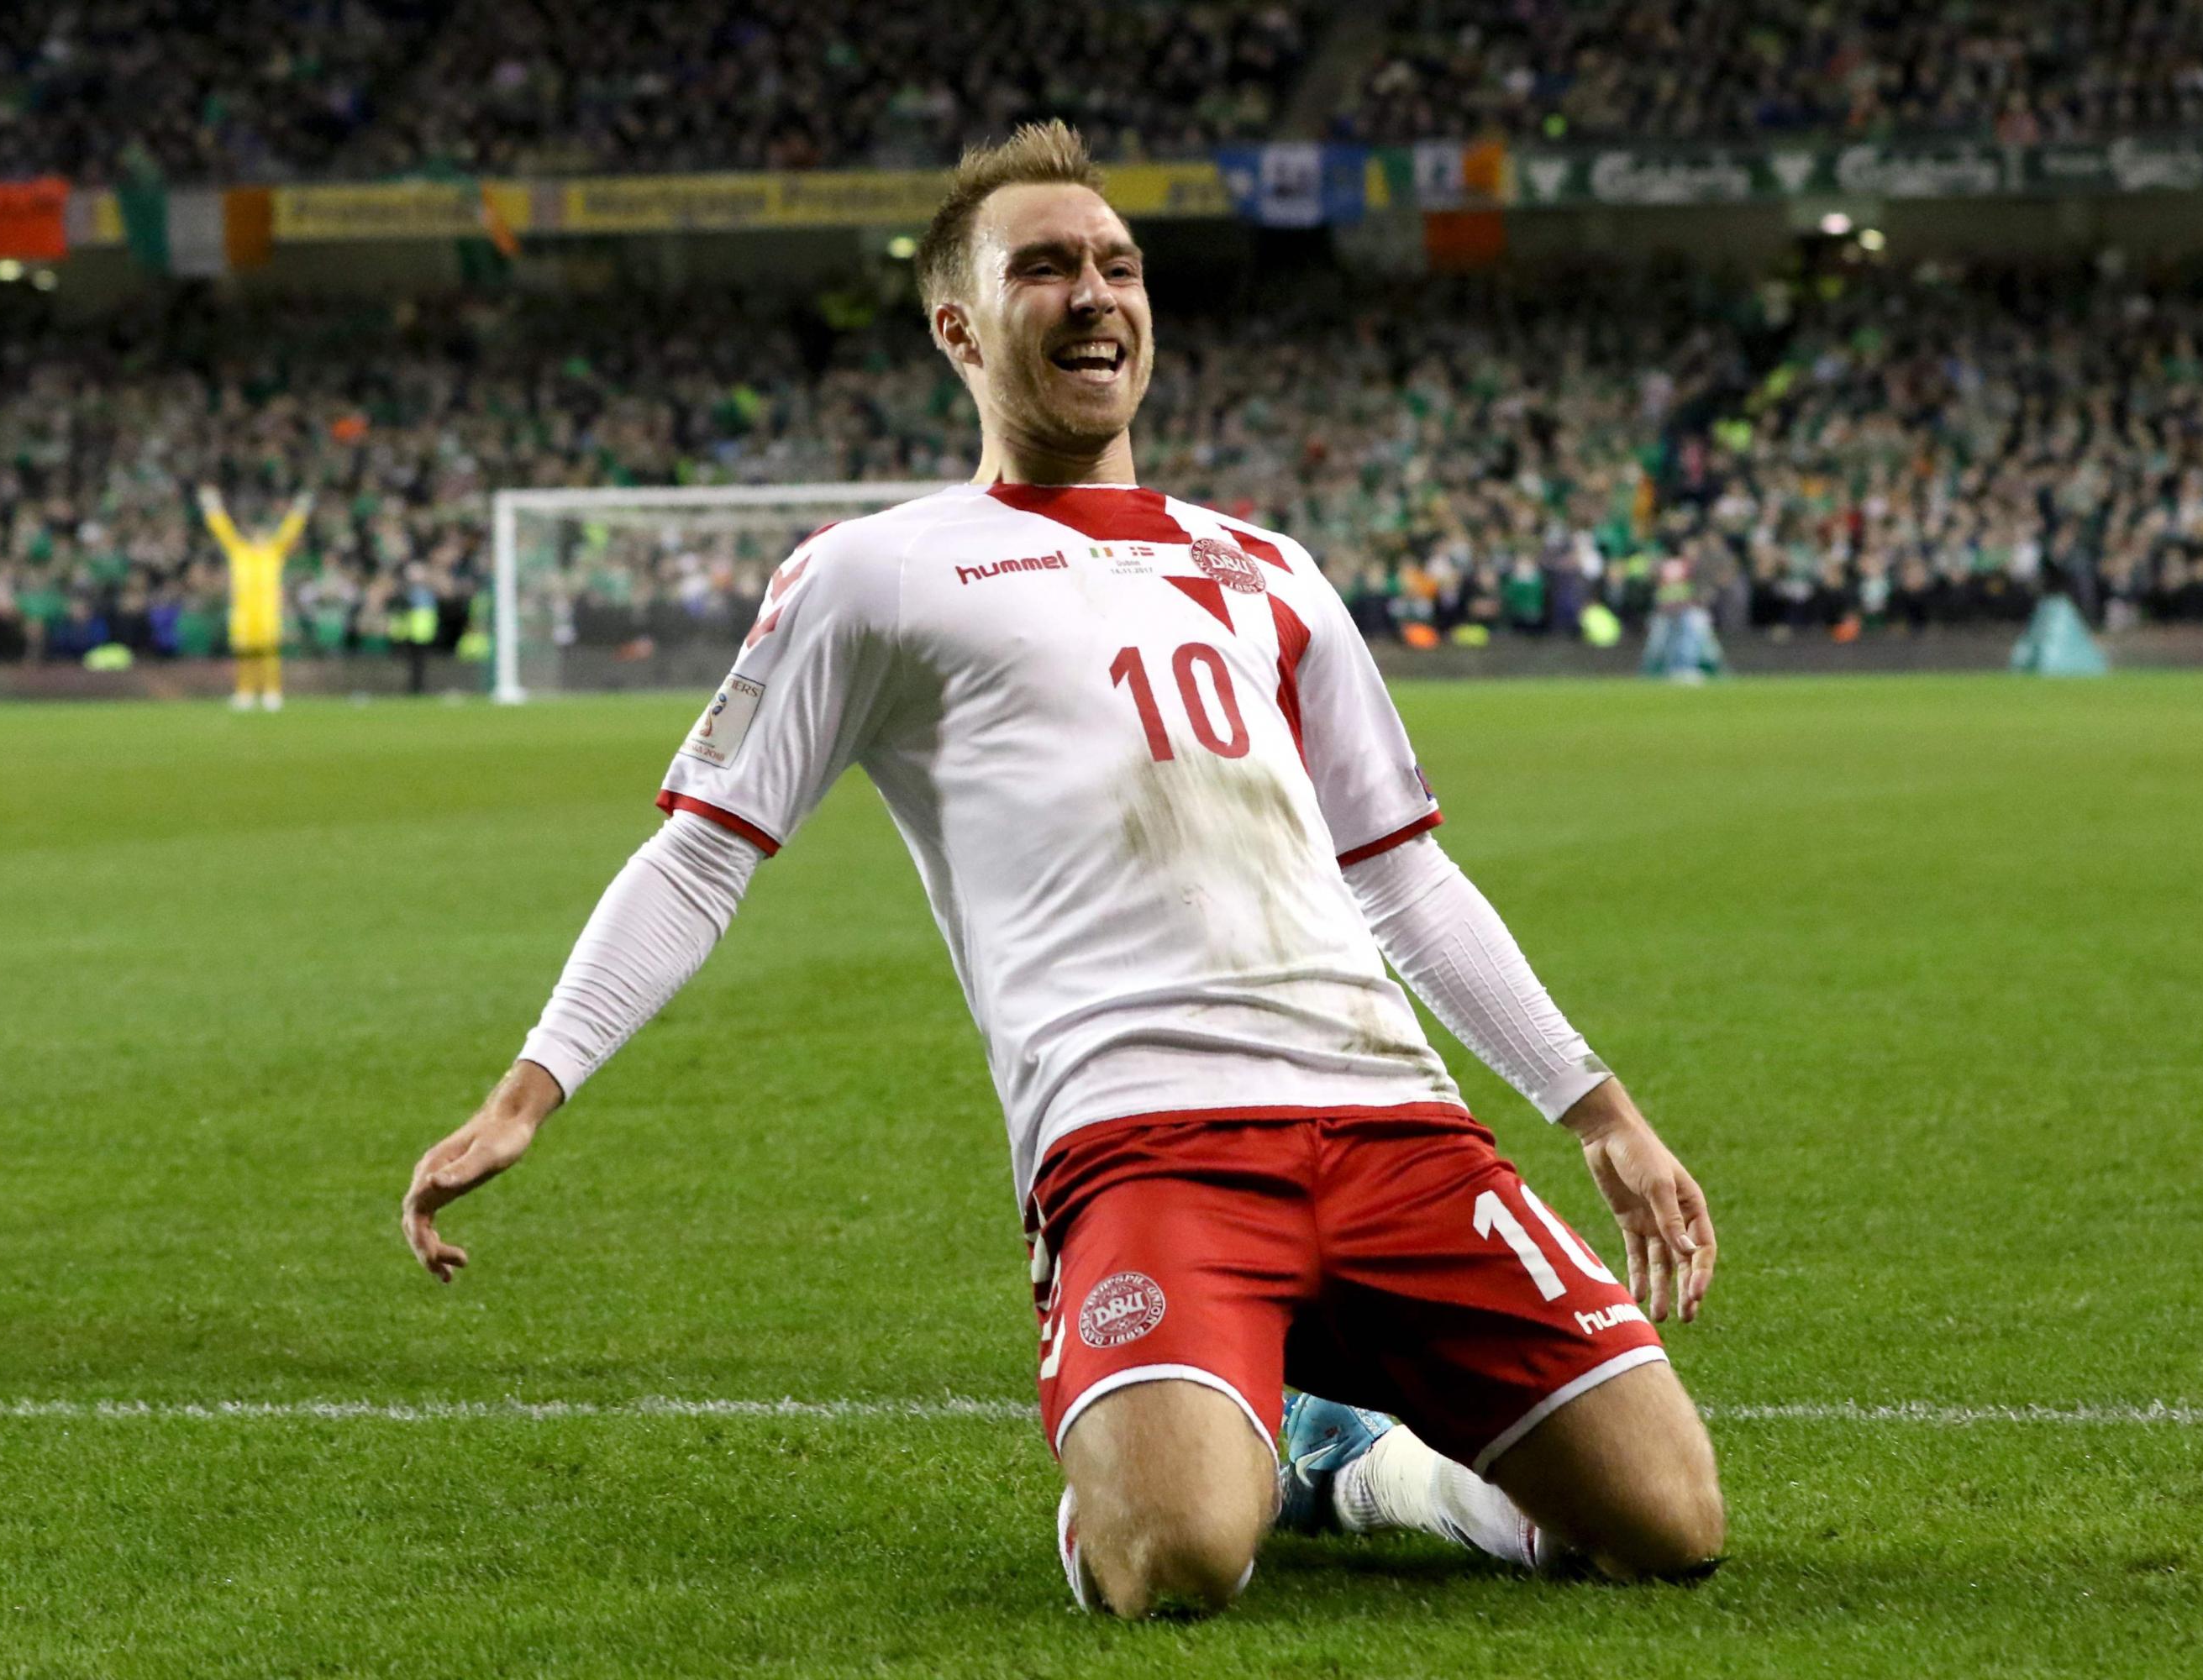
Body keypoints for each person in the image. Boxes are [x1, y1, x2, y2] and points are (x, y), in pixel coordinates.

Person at [399, 122, 1723, 1619]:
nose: (1096, 295)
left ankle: (1364, 1470)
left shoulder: (1272, 569)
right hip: (1144, 1140)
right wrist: (529, 1089)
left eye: (1119, 265)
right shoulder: (881, 571)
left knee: (1668, 1524)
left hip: (1391, 1123)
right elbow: (704, 858)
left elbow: (1404, 876)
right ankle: (1229, 1449)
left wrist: (1599, 1112)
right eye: (1046, 268)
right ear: (960, 326)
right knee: (1174, 1561)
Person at [199, 484, 313, 711]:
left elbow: (290, 531)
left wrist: (301, 508)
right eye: (256, 534)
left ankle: (272, 691)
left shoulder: (274, 552)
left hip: (267, 610)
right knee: (244, 654)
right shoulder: (239, 551)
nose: (259, 538)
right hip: (243, 611)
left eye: (263, 534)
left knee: (269, 653)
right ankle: (245, 692)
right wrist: (212, 505)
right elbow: (223, 530)